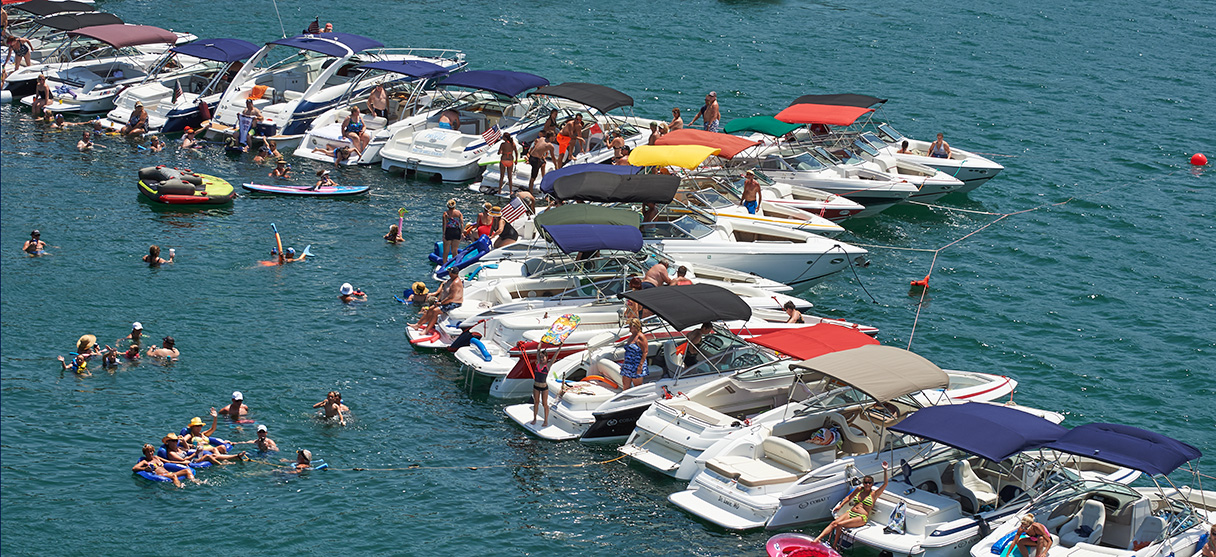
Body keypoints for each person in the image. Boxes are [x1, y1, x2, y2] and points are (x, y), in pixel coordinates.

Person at [815, 462, 890, 546]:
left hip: (861, 517)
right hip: (851, 513)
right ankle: (817, 539)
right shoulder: (859, 489)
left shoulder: (874, 494)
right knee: (833, 523)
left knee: (839, 525)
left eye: (869, 483)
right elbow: (848, 497)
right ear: (863, 483)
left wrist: (885, 470)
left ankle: (834, 545)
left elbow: (885, 483)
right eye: (865, 482)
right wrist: (840, 506)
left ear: (872, 484)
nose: (867, 484)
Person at [619, 318, 649, 390]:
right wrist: (624, 363)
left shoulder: (641, 337)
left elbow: (645, 352)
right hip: (628, 364)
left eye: (630, 326)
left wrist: (640, 366)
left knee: (637, 388)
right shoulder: (631, 336)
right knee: (625, 385)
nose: (629, 328)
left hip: (637, 364)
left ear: (635, 326)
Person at [530, 346, 556, 427]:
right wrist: (540, 344)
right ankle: (534, 418)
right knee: (536, 402)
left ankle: (545, 421)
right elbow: (538, 350)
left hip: (544, 387)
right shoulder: (538, 364)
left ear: (546, 358)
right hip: (536, 386)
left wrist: (560, 347)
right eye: (540, 357)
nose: (541, 359)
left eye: (543, 357)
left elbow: (555, 356)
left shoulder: (548, 365)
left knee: (545, 404)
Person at [440, 199, 463, 263]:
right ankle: (455, 265)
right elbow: (461, 224)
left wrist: (444, 234)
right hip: (456, 231)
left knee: (446, 251)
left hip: (449, 231)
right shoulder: (459, 213)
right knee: (454, 251)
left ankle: (444, 266)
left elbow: (444, 224)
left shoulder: (445, 214)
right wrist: (461, 233)